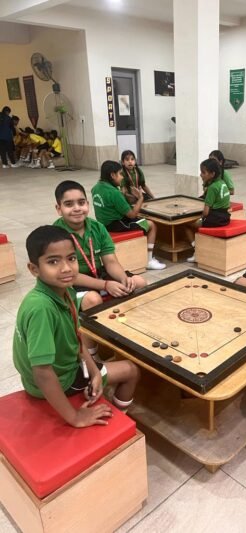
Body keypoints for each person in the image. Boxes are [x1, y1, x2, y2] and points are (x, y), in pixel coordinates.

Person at [13, 225, 141, 427]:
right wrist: (74, 417)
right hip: (59, 380)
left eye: (71, 258)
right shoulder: (41, 308)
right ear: (34, 269)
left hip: (61, 369)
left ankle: (104, 394)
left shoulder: (65, 292)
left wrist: (95, 372)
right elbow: (42, 373)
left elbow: (76, 338)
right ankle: (120, 420)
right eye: (53, 261)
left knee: (104, 366)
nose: (66, 268)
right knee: (131, 370)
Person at [53, 180, 147, 358]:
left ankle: (127, 336)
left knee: (138, 282)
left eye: (81, 202)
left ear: (88, 204)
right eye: (69, 204)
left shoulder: (97, 228)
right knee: (93, 300)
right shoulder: (56, 235)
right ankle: (92, 356)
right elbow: (70, 275)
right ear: (59, 209)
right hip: (68, 284)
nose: (77, 208)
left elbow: (110, 261)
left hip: (98, 274)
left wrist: (123, 279)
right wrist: (105, 285)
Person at [91, 160, 166, 270]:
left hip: (104, 224)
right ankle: (149, 260)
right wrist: (140, 198)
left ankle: (143, 251)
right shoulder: (114, 193)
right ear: (112, 175)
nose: (122, 177)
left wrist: (126, 196)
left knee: (141, 218)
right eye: (120, 174)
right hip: (118, 225)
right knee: (151, 225)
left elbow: (112, 204)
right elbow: (132, 215)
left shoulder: (96, 188)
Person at [185, 158, 231, 263]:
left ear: (212, 174)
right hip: (225, 218)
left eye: (203, 172)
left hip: (215, 220)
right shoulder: (222, 183)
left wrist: (198, 218)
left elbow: (205, 212)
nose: (201, 175)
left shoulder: (212, 188)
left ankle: (196, 251)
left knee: (187, 224)